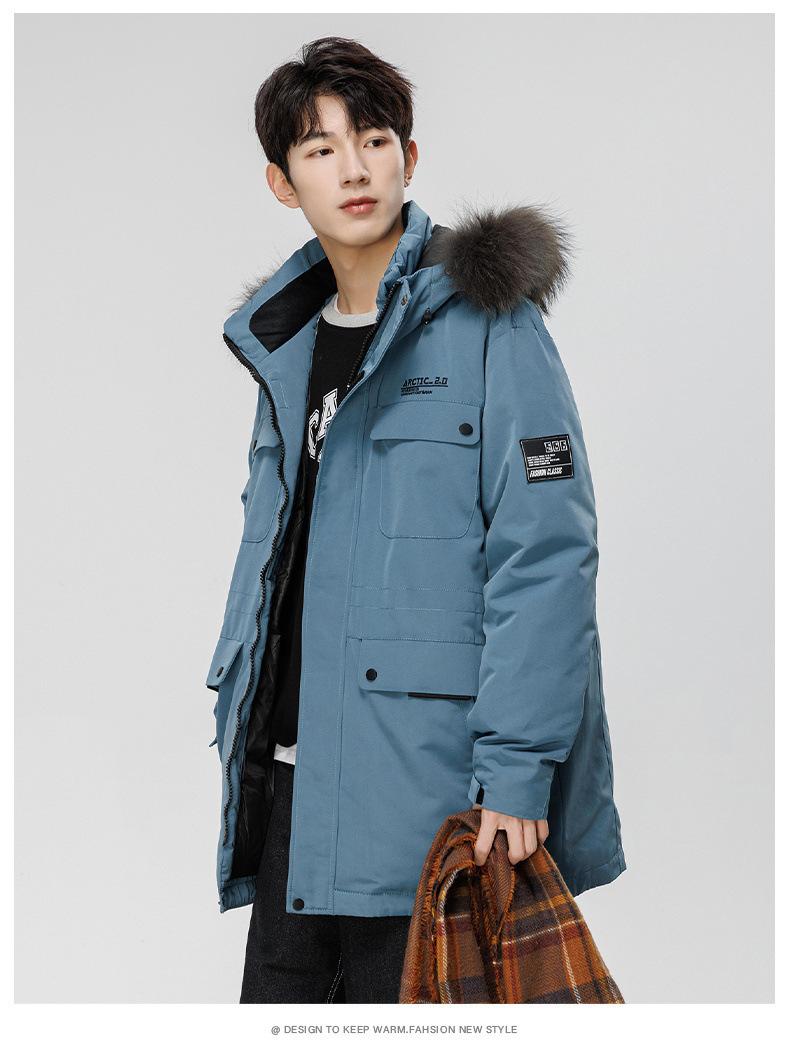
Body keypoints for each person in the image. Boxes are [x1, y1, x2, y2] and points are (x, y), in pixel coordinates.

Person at [206, 35, 626, 1005]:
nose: (353, 169)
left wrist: (516, 768)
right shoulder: (284, 349)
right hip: (294, 784)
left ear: (410, 157)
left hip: (431, 795)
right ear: (283, 183)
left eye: (373, 140)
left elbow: (546, 550)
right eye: (320, 149)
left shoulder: (490, 324)